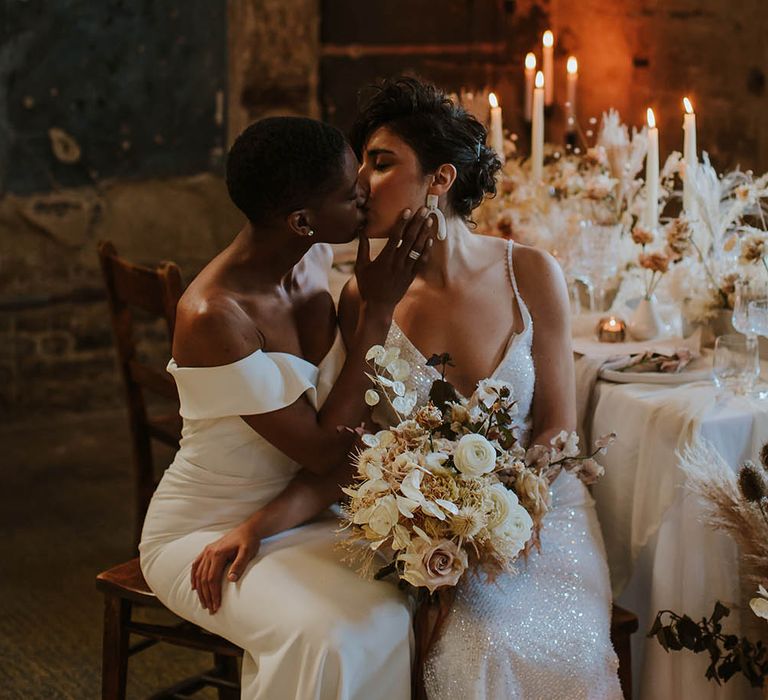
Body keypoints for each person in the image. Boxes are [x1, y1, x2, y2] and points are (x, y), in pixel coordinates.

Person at [339, 77, 623, 699]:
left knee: (520, 641)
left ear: (440, 179)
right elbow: (362, 431)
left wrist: (506, 512)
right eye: (361, 161)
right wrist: (439, 523)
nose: (359, 181)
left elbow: (557, 426)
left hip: (545, 519)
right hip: (425, 529)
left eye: (381, 162)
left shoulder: (530, 273)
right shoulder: (364, 296)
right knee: (471, 645)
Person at [139, 116, 434, 700]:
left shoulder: (312, 262)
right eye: (352, 193)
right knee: (327, 636)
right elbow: (328, 446)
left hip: (301, 513)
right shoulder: (212, 317)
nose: (367, 195)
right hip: (206, 534)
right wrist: (375, 313)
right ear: (301, 221)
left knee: (407, 604)